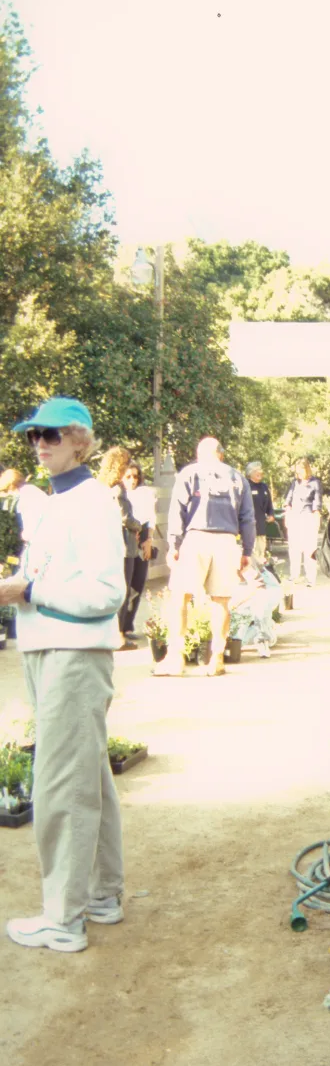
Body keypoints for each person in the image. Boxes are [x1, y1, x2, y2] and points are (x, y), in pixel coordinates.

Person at [0, 397, 126, 953]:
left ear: (81, 439)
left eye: (51, 434)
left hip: (73, 655)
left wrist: (29, 590)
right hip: (49, 650)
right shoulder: (54, 502)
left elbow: (106, 595)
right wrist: (23, 581)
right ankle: (99, 896)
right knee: (87, 779)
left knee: (59, 789)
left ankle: (63, 919)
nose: (40, 444)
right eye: (33, 437)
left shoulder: (94, 500)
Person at [157, 436, 255, 677]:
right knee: (221, 601)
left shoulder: (190, 473)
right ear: (221, 454)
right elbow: (248, 518)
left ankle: (176, 657)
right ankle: (217, 657)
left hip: (196, 537)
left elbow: (177, 510)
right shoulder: (238, 478)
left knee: (180, 596)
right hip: (227, 540)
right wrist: (248, 551)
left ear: (200, 454)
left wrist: (173, 543)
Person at [98, 447, 142, 650]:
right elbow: (126, 518)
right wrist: (138, 526)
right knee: (122, 592)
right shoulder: (118, 489)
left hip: (109, 544)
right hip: (125, 546)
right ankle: (119, 636)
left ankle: (112, 633)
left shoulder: (104, 487)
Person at [122, 460, 157, 638]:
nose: (132, 480)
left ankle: (128, 624)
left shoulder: (145, 493)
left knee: (138, 582)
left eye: (135, 476)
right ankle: (119, 626)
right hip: (124, 538)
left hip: (142, 536)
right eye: (128, 476)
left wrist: (149, 539)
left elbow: (151, 517)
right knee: (124, 585)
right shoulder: (118, 494)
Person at [282, 457, 323, 585]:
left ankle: (311, 578)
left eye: (300, 471)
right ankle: (294, 575)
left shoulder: (315, 483)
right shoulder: (294, 483)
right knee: (294, 548)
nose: (298, 474)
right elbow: (288, 501)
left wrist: (316, 521)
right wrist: (287, 516)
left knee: (309, 549)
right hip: (295, 518)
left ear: (306, 469)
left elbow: (317, 504)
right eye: (296, 472)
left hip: (308, 517)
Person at [0, 467, 46, 544]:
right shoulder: (31, 490)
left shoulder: (26, 496)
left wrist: (24, 536)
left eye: (6, 490)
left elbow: (31, 528)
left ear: (12, 486)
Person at [245, 461, 275, 564]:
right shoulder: (246, 486)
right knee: (251, 555)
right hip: (249, 526)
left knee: (261, 553)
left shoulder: (264, 487)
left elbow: (269, 504)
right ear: (250, 472)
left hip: (262, 526)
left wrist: (271, 514)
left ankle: (262, 576)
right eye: (257, 471)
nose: (260, 473)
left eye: (261, 471)